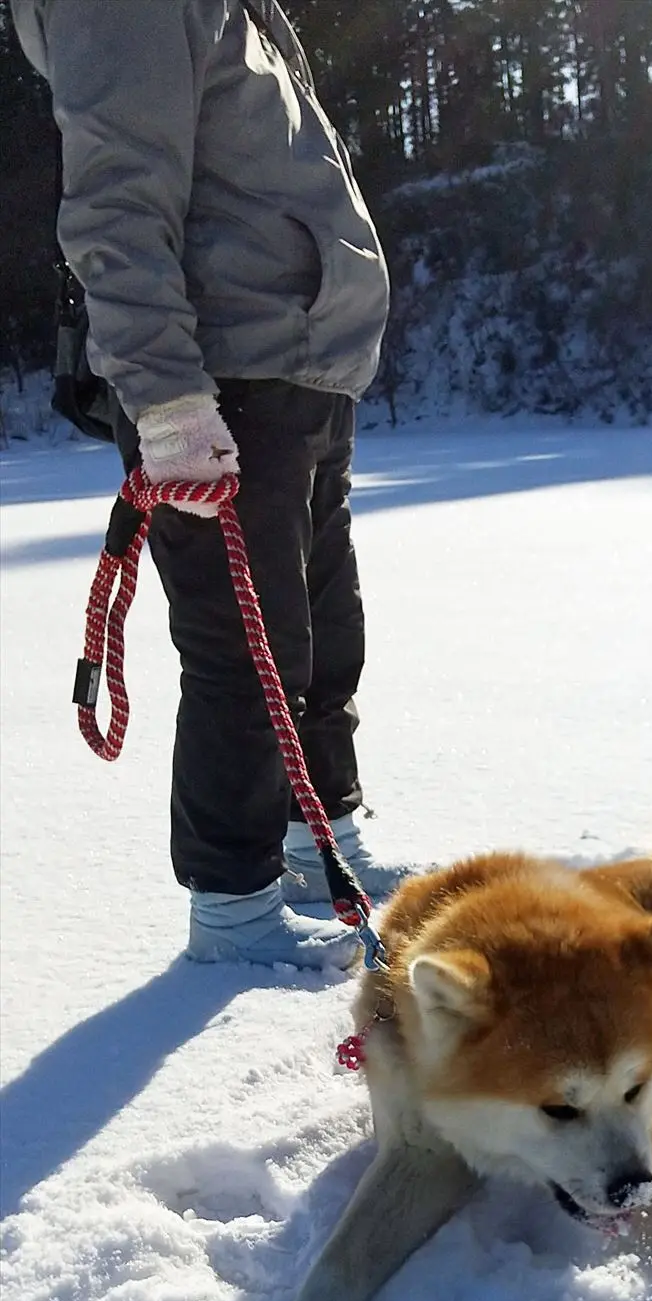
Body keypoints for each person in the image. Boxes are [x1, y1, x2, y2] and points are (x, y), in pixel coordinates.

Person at [13, 0, 391, 966]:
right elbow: (116, 201)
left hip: (297, 363)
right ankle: (236, 909)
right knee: (245, 655)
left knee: (317, 633)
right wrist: (170, 402)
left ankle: (322, 846)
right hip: (221, 375)